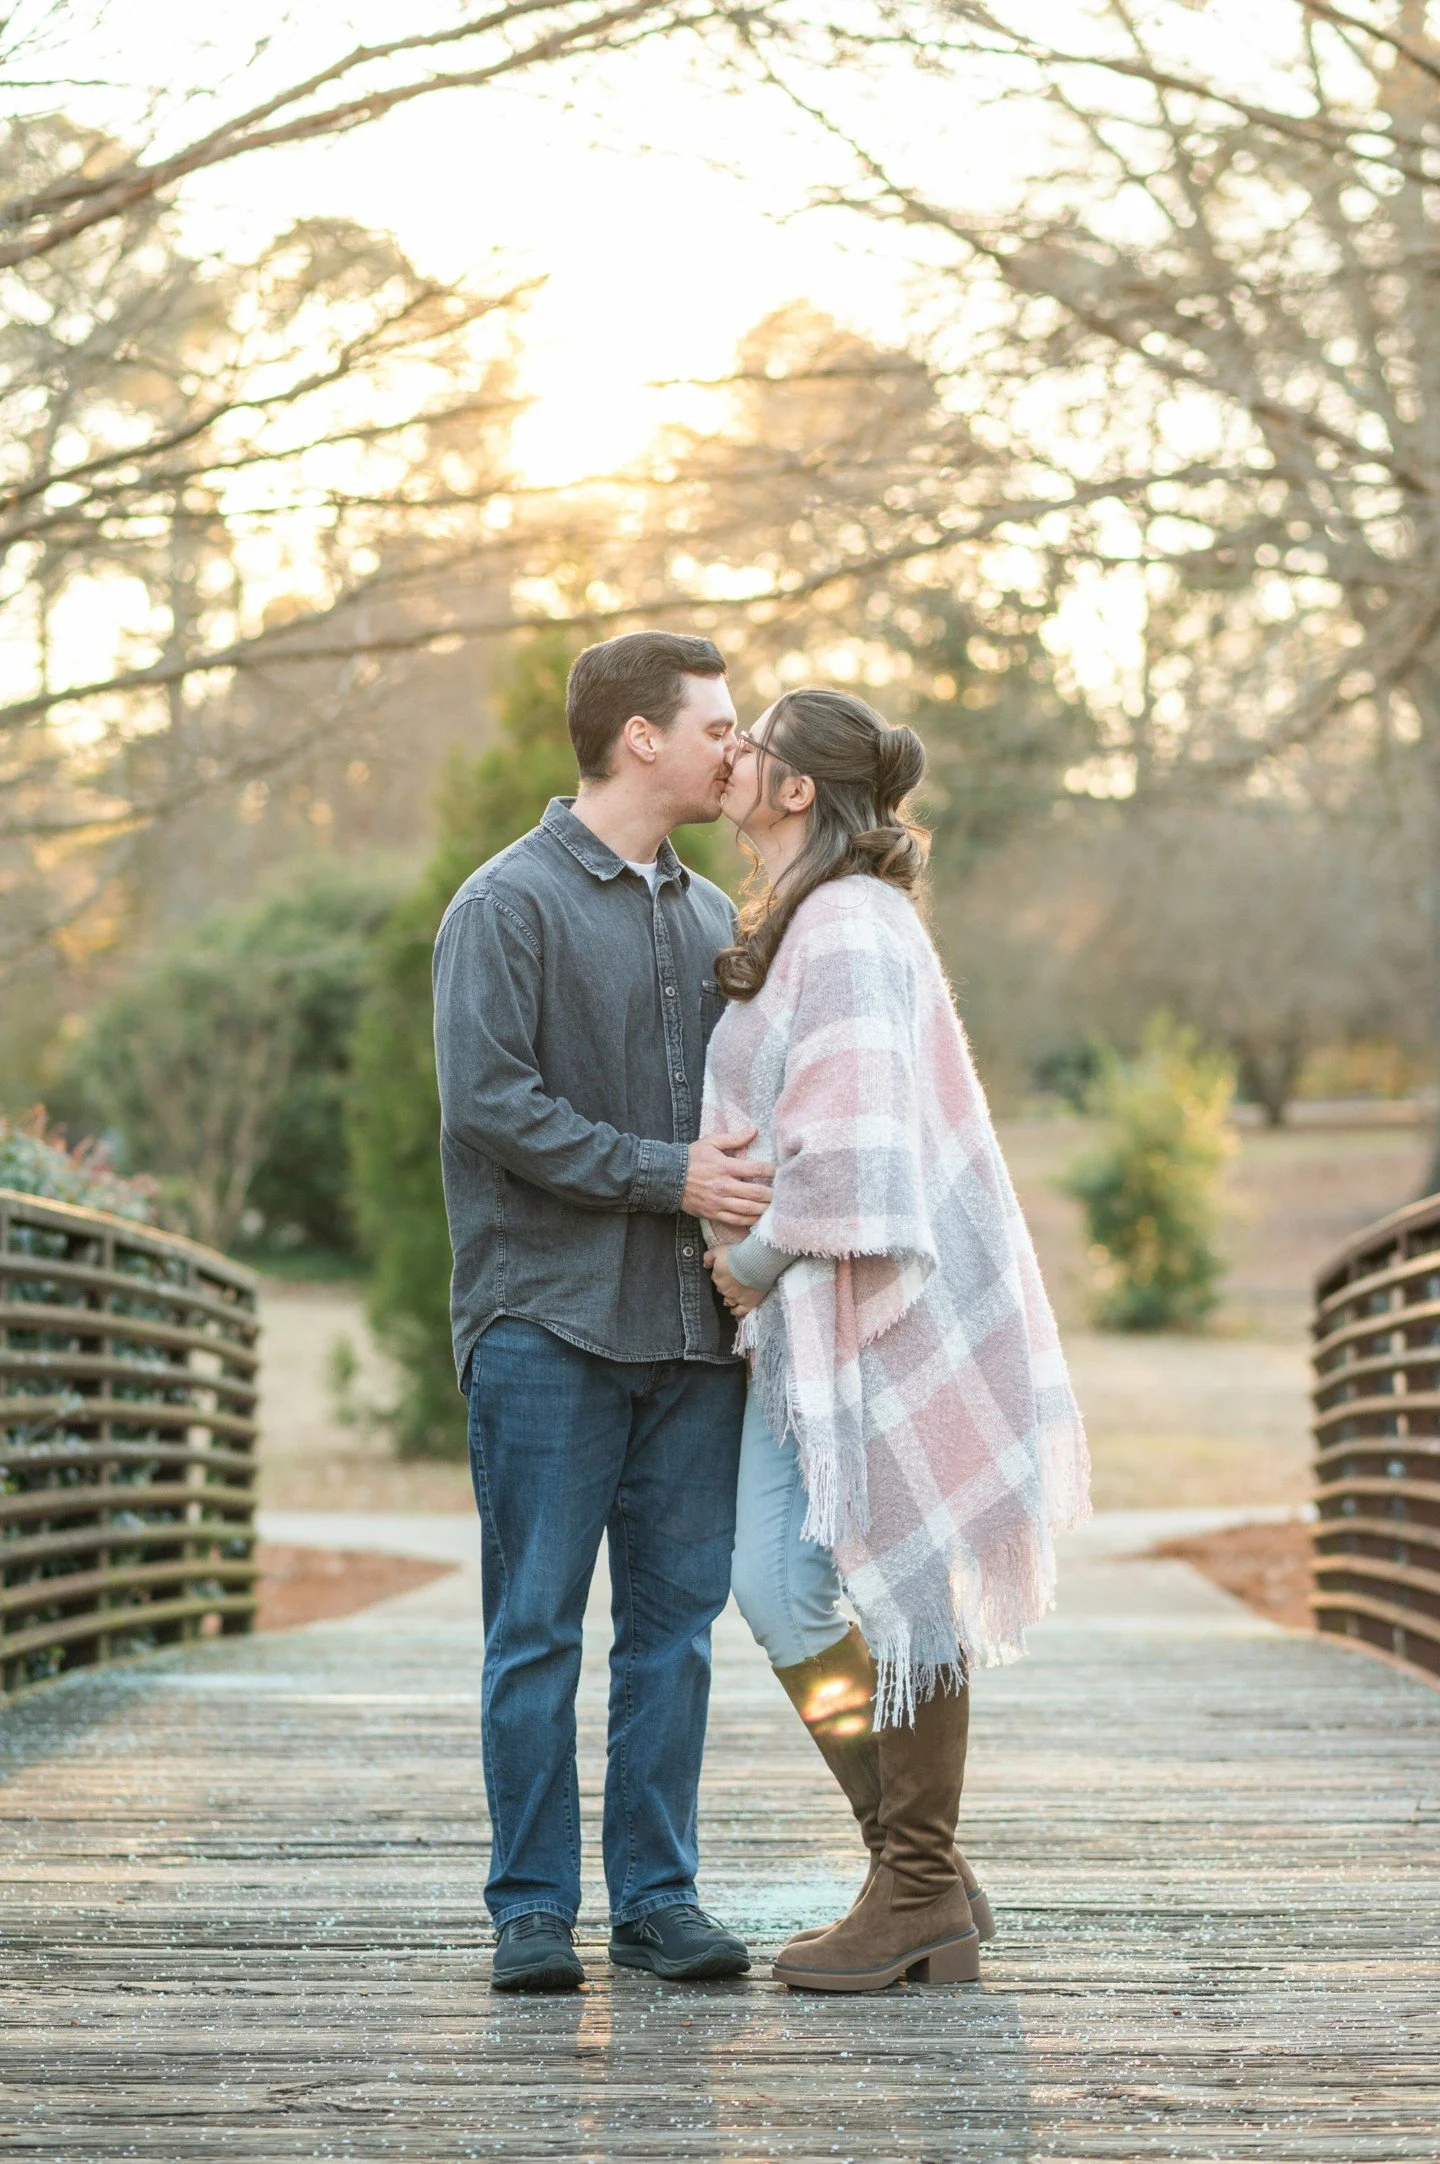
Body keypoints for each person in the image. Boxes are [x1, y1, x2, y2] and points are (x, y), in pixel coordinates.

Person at [701, 687, 1090, 1995]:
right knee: (775, 1583)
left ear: (798, 789)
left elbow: (855, 1162)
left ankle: (916, 1883)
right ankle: (916, 1870)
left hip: (869, 1308)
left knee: (904, 1582)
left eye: (751, 743)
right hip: (816, 1333)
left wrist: (747, 1265)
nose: (734, 755)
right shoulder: (815, 918)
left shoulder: (850, 923)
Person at [433, 629, 774, 1993]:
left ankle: (657, 1901)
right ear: (643, 736)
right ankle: (530, 1911)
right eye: (719, 726)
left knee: (674, 1634)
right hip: (546, 1327)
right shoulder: (503, 905)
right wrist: (668, 1174)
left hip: (697, 1342)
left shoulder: (711, 919)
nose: (737, 750)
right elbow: (490, 1106)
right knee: (533, 1630)